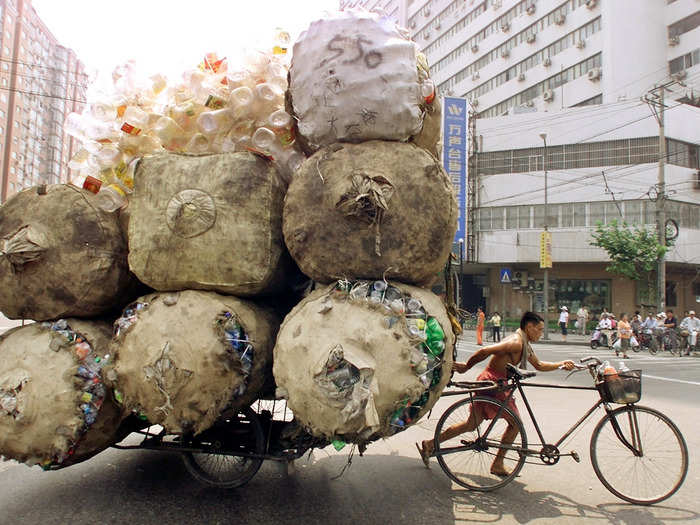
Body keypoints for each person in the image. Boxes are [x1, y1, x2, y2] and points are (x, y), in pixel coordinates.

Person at [416, 312, 575, 474]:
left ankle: (430, 444)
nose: (541, 334)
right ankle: (497, 464)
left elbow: (539, 365)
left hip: (494, 383)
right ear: (529, 327)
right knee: (515, 424)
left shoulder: (524, 343)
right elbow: (485, 350)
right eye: (539, 330)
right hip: (493, 383)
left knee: (471, 424)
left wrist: (561, 364)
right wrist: (466, 367)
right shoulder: (516, 343)